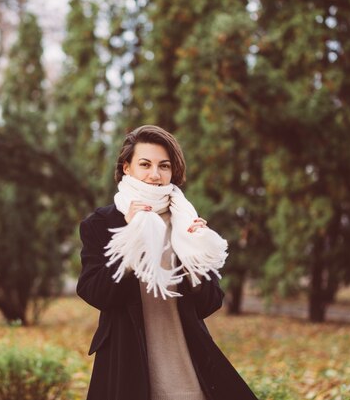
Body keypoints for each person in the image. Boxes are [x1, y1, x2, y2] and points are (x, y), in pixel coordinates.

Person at [77, 125, 259, 400]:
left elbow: (210, 302)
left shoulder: (185, 221)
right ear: (127, 167)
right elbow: (95, 291)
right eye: (145, 164)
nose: (155, 174)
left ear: (173, 171)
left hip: (186, 365)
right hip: (127, 365)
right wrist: (132, 239)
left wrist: (196, 256)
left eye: (164, 166)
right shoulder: (102, 224)